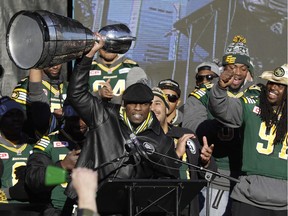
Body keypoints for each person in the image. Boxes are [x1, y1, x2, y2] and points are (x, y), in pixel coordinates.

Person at [65, 34, 180, 205]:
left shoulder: (162, 141)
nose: (138, 109)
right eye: (132, 103)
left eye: (142, 104)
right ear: (124, 103)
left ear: (150, 105)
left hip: (131, 207)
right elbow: (76, 94)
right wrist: (89, 55)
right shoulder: (104, 115)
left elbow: (169, 181)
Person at [183, 35, 261, 215]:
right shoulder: (203, 93)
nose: (237, 73)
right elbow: (191, 126)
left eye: (243, 68)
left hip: (247, 180)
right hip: (216, 175)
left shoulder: (257, 96)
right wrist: (220, 122)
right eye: (232, 67)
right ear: (222, 68)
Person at [209, 64, 287, 215]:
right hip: (250, 197)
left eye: (280, 85)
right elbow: (223, 110)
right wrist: (220, 88)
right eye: (271, 82)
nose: (273, 87)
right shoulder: (252, 105)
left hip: (284, 202)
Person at [151, 87, 217, 216]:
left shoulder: (185, 134)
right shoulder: (142, 138)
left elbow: (210, 175)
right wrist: (176, 155)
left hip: (187, 206)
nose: (153, 108)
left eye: (157, 103)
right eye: (149, 104)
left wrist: (206, 162)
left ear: (166, 108)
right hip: (156, 205)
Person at [25, 102, 87, 216]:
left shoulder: (98, 141)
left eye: (84, 118)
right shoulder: (48, 143)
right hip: (58, 210)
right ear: (65, 116)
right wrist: (62, 167)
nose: (80, 123)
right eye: (74, 118)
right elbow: (33, 179)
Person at [88, 25, 145, 104]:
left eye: (114, 44)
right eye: (105, 44)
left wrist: (114, 98)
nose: (109, 48)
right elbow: (77, 96)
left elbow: (140, 97)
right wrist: (98, 94)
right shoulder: (89, 67)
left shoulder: (131, 67)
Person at [11, 64, 68, 139]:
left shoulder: (68, 87)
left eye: (59, 62)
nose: (55, 67)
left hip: (64, 145)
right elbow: (16, 122)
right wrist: (51, 118)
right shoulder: (25, 86)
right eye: (52, 63)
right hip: (34, 144)